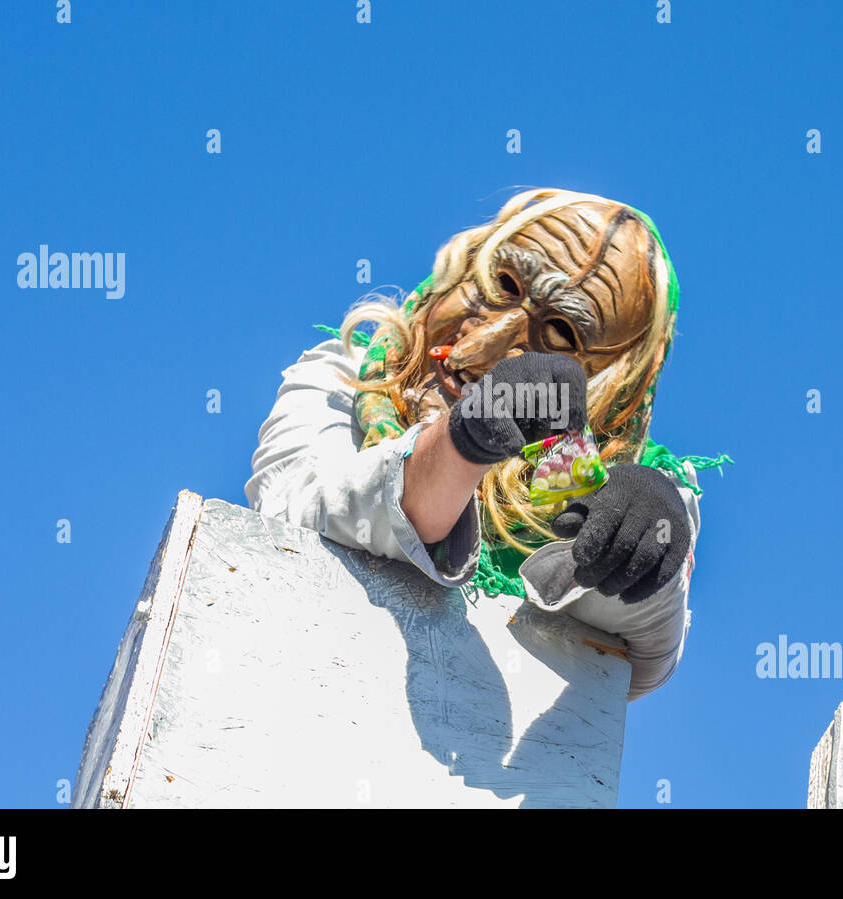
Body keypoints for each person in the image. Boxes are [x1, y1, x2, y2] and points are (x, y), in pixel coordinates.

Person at [245, 188, 728, 701]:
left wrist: (637, 546)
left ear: (617, 396)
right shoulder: (341, 378)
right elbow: (291, 501)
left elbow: (640, 657)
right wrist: (459, 446)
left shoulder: (622, 479)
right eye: (504, 283)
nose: (482, 347)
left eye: (561, 332)